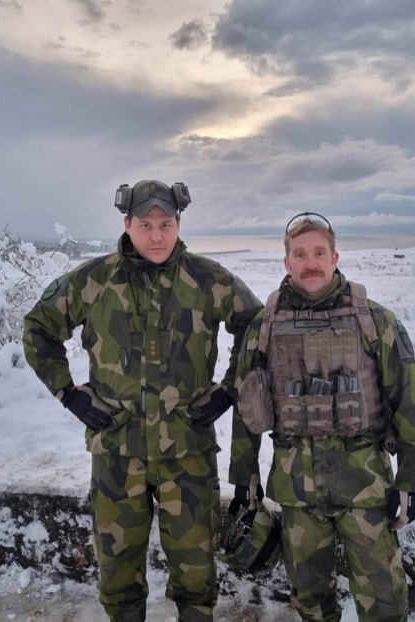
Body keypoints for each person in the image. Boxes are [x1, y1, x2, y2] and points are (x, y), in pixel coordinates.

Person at [23, 179, 262, 622]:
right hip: (116, 453)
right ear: (127, 223)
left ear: (178, 224)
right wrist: (68, 393)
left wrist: (230, 388)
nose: (156, 235)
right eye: (146, 224)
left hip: (188, 453)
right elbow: (38, 328)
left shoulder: (209, 280)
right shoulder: (94, 281)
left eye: (166, 224)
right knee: (117, 576)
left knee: (196, 575)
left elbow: (257, 329)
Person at [229, 212, 415, 621]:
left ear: (335, 256)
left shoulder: (374, 321)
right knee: (311, 602)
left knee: (385, 602)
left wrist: (414, 480)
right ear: (287, 262)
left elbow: (410, 402)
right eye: (300, 254)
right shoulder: (263, 328)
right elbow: (246, 407)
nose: (311, 263)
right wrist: (243, 480)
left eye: (319, 252)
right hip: (298, 493)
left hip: (365, 487)